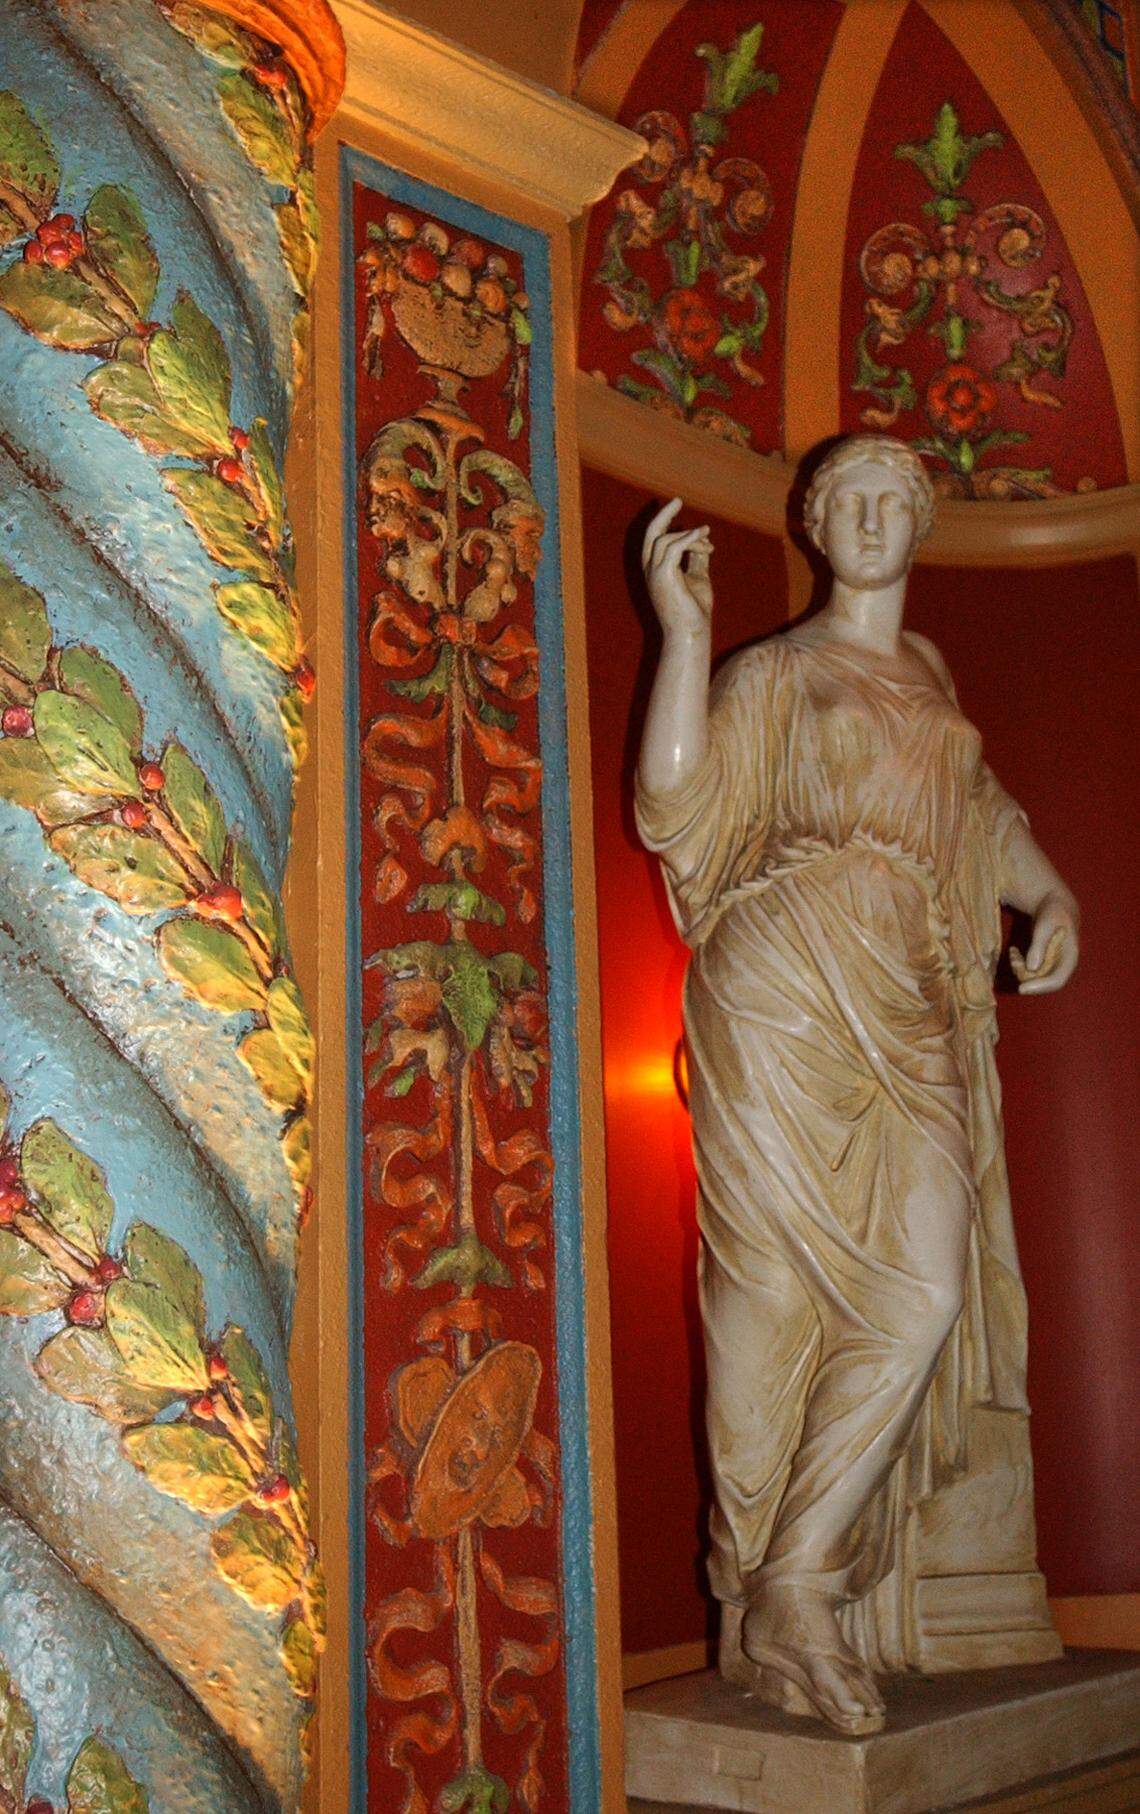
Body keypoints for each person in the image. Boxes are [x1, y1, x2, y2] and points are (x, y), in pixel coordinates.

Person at [635, 435, 1079, 1735]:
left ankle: (796, 1574)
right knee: (771, 1294)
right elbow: (675, 803)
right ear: (820, 525)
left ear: (922, 523)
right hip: (784, 978)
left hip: (912, 989)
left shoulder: (930, 675)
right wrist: (678, 632)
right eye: (852, 500)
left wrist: (1046, 887)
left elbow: (981, 806)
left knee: (930, 1284)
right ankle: (791, 1595)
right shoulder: (773, 670)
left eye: (898, 500)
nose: (877, 516)